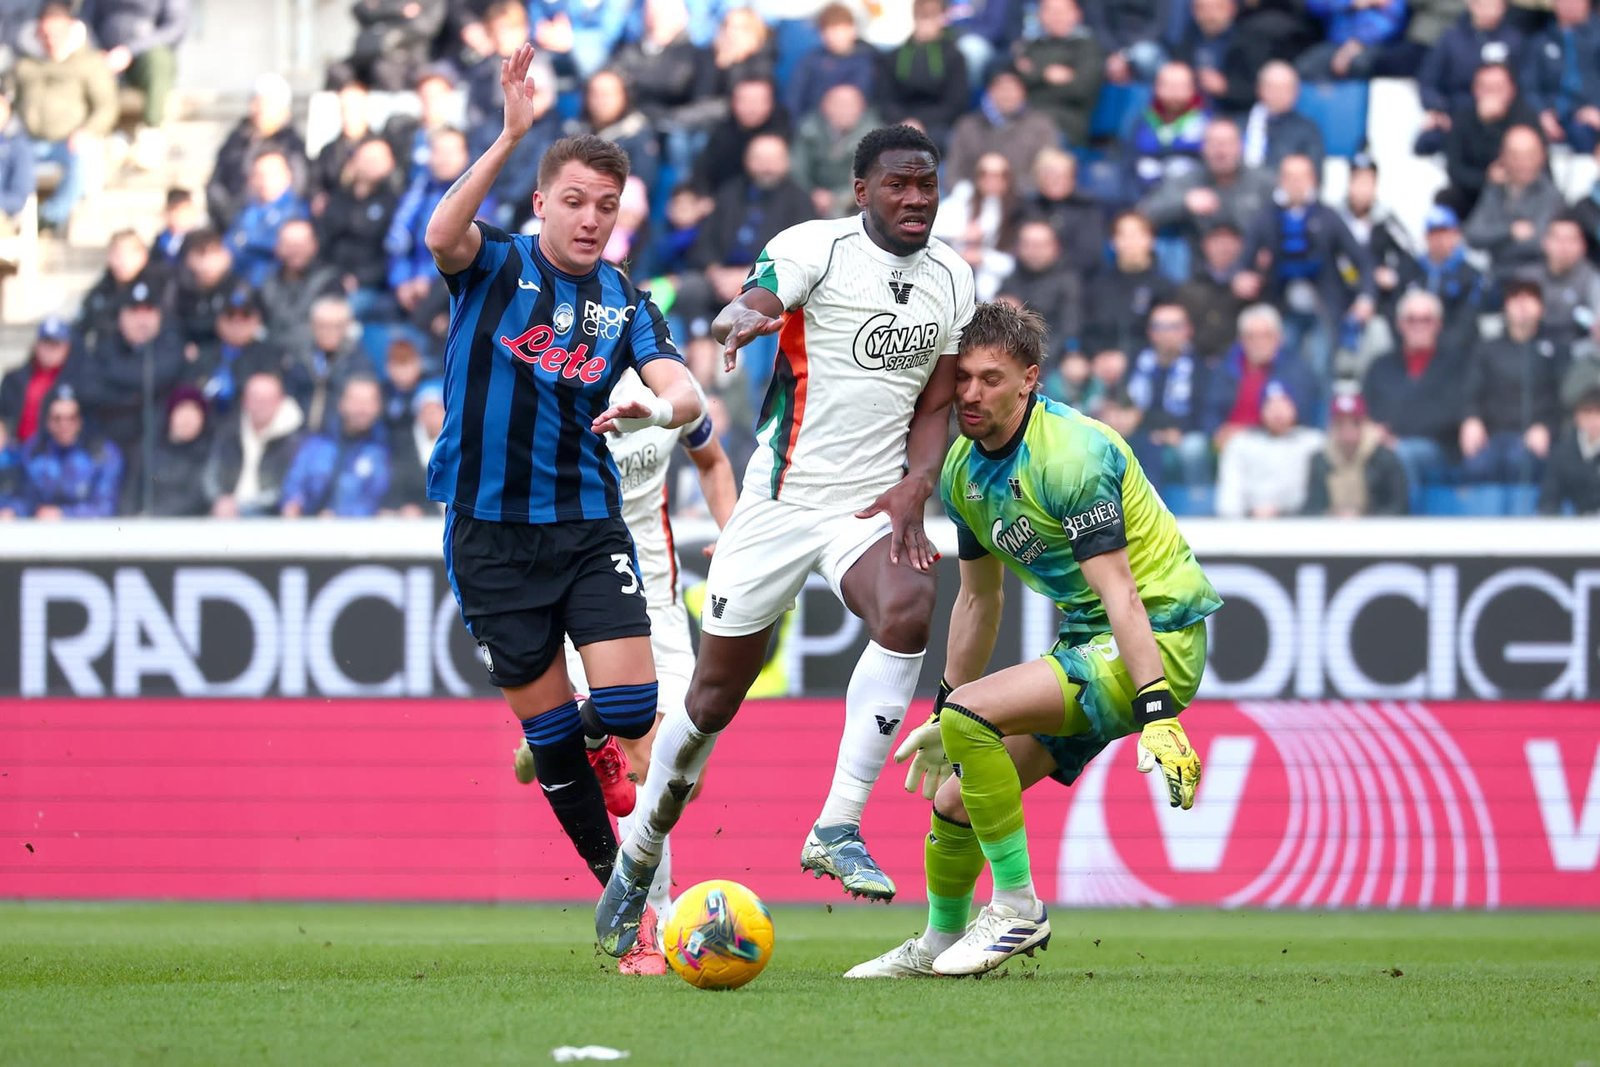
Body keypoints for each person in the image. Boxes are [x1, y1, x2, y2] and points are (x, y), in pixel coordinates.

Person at [596, 123, 976, 959]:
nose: (916, 197)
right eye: (899, 183)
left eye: (926, 183)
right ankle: (640, 852)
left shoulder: (954, 275)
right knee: (709, 705)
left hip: (868, 505)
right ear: (861, 190)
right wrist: (739, 322)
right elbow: (759, 299)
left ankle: (838, 823)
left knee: (911, 603)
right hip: (777, 502)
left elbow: (937, 404)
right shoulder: (816, 247)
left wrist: (918, 483)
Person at [425, 46, 701, 975]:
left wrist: (656, 404)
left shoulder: (625, 301)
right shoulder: (494, 265)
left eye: (606, 206)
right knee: (548, 741)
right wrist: (510, 135)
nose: (590, 219)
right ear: (542, 203)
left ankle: (601, 736)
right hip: (488, 533)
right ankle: (624, 905)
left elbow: (686, 391)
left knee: (633, 704)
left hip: (586, 525)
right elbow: (439, 233)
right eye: (575, 201)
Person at [845, 301, 1219, 979]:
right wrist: (945, 709)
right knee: (955, 800)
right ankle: (938, 942)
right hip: (1090, 641)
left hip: (1157, 639)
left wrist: (1157, 709)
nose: (970, 393)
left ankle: (1017, 906)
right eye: (962, 377)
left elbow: (1122, 594)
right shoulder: (960, 471)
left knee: (974, 718)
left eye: (990, 378)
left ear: (1029, 380)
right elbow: (979, 599)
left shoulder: (1071, 455)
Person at [512, 368, 737, 942]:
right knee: (644, 753)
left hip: (658, 596)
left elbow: (712, 461)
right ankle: (654, 920)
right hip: (584, 587)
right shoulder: (560, 377)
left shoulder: (674, 389)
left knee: (685, 771)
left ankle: (566, 732)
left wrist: (734, 536)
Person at [12, 1, 118, 232]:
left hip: (68, 142)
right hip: (29, 141)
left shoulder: (89, 63)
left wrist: (87, 131)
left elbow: (106, 107)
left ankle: (50, 217)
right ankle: (9, 214)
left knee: (84, 161)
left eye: (56, 33)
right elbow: (9, 99)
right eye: (46, 34)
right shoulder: (25, 65)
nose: (51, 39)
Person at [1458, 276, 1565, 484]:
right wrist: (1471, 419)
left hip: (1535, 439)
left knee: (1519, 461)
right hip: (1492, 437)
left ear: (1542, 308)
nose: (1522, 303)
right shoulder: (1486, 349)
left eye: (1530, 297)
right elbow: (1470, 391)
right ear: (1505, 308)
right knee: (1476, 466)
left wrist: (1547, 427)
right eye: (1515, 297)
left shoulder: (1556, 351)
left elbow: (1563, 399)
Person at [79, 0, 189, 167]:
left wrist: (130, 51)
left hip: (145, 55)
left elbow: (175, 27)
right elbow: (85, 21)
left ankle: (152, 132)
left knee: (158, 61)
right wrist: (97, 50)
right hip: (106, 55)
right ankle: (101, 134)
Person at [279, 375, 391, 517]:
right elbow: (293, 485)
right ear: (341, 403)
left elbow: (381, 501)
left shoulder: (386, 450)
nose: (362, 409)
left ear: (378, 406)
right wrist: (293, 504)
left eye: (369, 401)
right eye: (356, 401)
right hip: (311, 526)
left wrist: (339, 516)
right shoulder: (317, 445)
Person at [203, 369, 304, 517]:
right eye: (255, 398)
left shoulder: (295, 441)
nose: (260, 405)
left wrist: (241, 508)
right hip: (223, 514)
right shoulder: (229, 432)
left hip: (268, 517)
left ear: (280, 401)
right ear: (244, 401)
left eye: (267, 400)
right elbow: (211, 474)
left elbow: (286, 489)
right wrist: (220, 500)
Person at [1214, 383, 1325, 517]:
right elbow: (1230, 492)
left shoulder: (1313, 442)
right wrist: (1234, 521)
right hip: (1251, 519)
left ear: (1294, 407)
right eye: (1271, 406)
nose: (1277, 412)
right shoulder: (1241, 444)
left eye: (1283, 404)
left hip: (1298, 520)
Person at [17, 385, 123, 519]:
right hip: (43, 527)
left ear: (80, 421)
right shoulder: (33, 451)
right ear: (47, 421)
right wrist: (13, 510)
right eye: (57, 419)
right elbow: (24, 499)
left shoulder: (102, 453)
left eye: (71, 418)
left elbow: (106, 507)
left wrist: (63, 513)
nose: (64, 425)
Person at [878, 0, 969, 151]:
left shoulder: (954, 57)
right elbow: (885, 98)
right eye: (922, 16)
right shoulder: (895, 56)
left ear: (942, 18)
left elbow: (955, 103)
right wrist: (905, 122)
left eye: (932, 16)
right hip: (899, 121)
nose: (926, 23)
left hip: (938, 124)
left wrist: (921, 122)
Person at [1012, 0, 1103, 146]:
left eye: (1061, 11)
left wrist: (1034, 74)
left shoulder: (1088, 48)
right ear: (1040, 15)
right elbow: (1014, 82)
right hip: (1025, 118)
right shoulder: (1031, 46)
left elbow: (1081, 90)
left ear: (1076, 14)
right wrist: (1045, 74)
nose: (1056, 17)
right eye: (1050, 11)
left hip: (1065, 124)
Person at [1304, 391, 1410, 515]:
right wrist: (1332, 516)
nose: (1347, 430)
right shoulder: (1320, 461)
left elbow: (1398, 507)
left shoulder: (1384, 459)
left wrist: (1363, 518)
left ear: (1365, 425)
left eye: (1355, 423)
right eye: (1340, 424)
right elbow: (1312, 508)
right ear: (1331, 427)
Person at [0, 317, 78, 444]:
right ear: (37, 345)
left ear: (66, 348)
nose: (50, 350)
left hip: (56, 450)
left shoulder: (77, 382)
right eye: (46, 343)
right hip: (15, 447)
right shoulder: (13, 378)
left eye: (55, 345)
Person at [1538, 384, 1600, 514]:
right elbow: (1549, 499)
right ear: (1577, 417)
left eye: (1598, 413)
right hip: (1580, 521)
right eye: (1587, 413)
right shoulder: (1563, 454)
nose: (1593, 420)